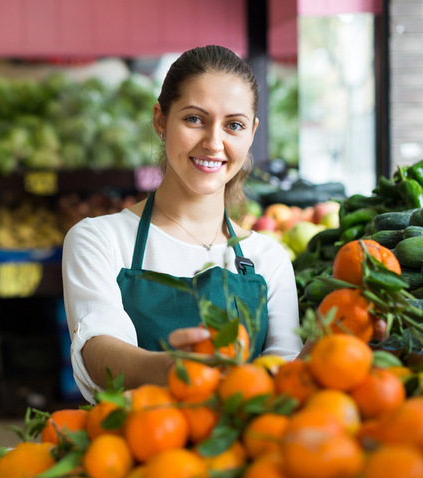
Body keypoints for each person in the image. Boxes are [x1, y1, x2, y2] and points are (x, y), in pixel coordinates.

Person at [62, 45, 303, 403]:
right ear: (161, 120)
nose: (213, 142)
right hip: (138, 446)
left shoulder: (268, 258)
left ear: (251, 133)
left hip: (242, 449)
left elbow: (286, 368)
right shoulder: (99, 240)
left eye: (233, 125)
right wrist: (172, 370)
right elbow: (99, 352)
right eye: (194, 119)